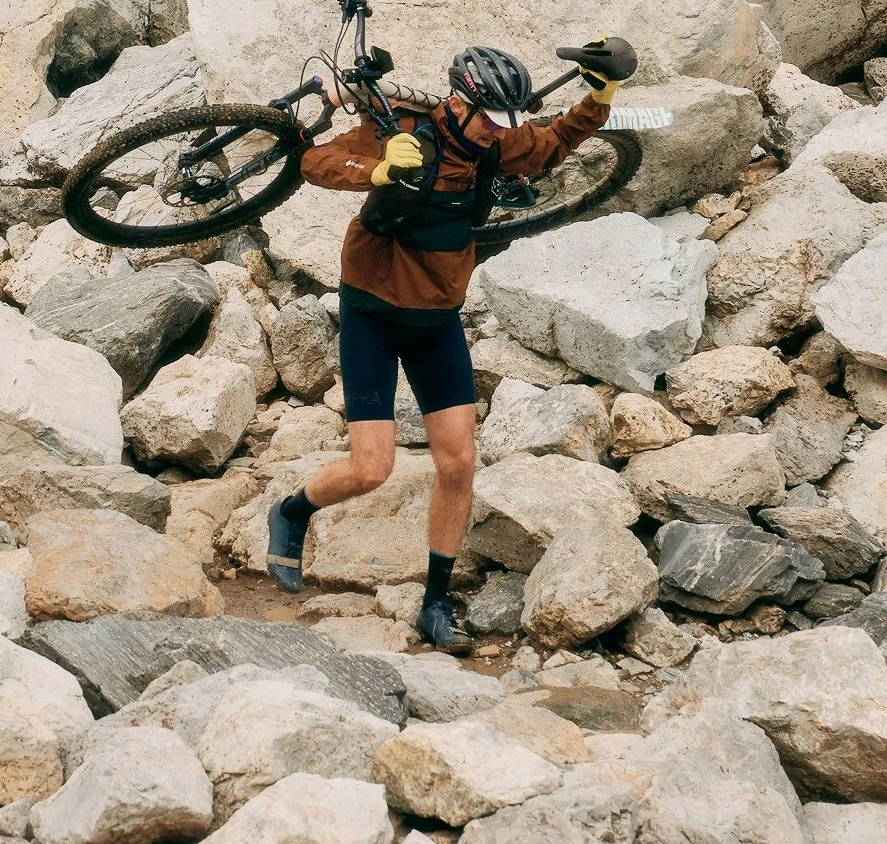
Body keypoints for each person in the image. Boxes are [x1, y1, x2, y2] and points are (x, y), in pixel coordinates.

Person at [265, 40, 628, 650]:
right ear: (459, 103)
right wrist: (377, 169)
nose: (499, 132)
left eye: (505, 122)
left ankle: (435, 603)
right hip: (372, 311)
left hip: (437, 318)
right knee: (372, 468)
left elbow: (553, 143)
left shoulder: (497, 142)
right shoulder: (405, 131)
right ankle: (293, 511)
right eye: (490, 119)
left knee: (458, 464)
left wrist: (601, 97)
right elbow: (315, 162)